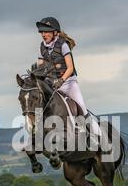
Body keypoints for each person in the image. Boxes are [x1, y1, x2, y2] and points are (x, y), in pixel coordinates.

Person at [35, 17, 102, 150]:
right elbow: (40, 67)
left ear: (54, 32)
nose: (43, 34)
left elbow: (70, 67)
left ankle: (96, 136)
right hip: (51, 84)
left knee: (82, 107)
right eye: (42, 32)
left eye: (46, 31)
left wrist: (61, 80)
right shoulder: (42, 47)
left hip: (68, 82)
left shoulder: (63, 45)